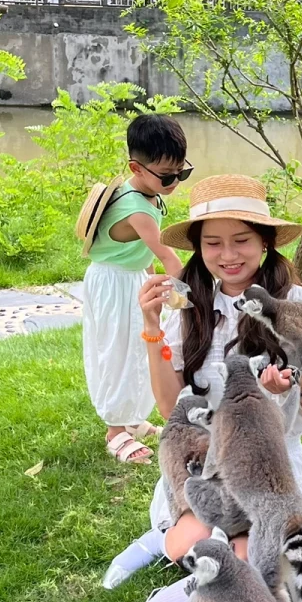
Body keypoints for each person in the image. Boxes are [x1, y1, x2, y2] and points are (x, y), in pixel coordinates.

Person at [36, 173, 302, 602]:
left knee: (236, 575)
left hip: (271, 465)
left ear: (266, 243)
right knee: (190, 544)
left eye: (241, 240)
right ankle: (159, 539)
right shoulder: (191, 300)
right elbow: (168, 406)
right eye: (213, 243)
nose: (228, 255)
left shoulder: (295, 303)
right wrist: (152, 325)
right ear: (197, 247)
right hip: (206, 458)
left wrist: (298, 382)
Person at [82, 113, 190, 466]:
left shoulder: (149, 193)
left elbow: (147, 254)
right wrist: (189, 303)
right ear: (136, 168)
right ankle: (115, 430)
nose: (174, 182)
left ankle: (132, 419)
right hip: (113, 283)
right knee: (117, 351)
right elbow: (169, 256)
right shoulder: (134, 206)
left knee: (141, 349)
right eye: (167, 176)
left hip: (133, 277)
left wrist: (152, 284)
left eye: (182, 173)